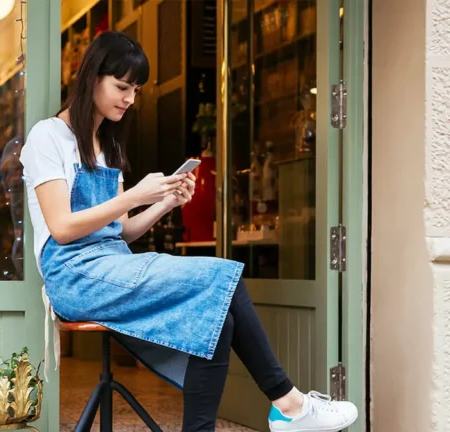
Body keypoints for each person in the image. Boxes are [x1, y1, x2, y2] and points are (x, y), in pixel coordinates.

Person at [20, 31, 358, 432]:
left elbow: (120, 233)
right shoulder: (48, 137)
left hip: (112, 264)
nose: (129, 98)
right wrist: (135, 195)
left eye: (136, 90)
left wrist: (164, 203)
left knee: (218, 317)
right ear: (92, 77)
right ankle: (289, 403)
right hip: (73, 275)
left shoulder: (106, 145)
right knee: (222, 277)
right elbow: (60, 228)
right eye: (122, 86)